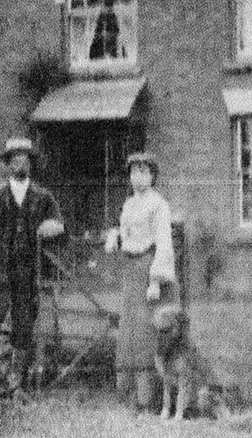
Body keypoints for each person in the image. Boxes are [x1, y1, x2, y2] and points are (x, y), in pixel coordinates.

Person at [0, 136, 65, 401]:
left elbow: (59, 227)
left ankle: (15, 386)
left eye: (25, 158)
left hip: (27, 279)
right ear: (8, 163)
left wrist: (54, 227)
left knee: (23, 332)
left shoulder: (43, 197)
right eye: (15, 158)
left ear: (31, 163)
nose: (21, 163)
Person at [104, 151, 177, 412]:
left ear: (153, 176)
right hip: (131, 272)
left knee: (147, 331)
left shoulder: (159, 204)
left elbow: (164, 243)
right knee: (130, 329)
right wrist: (114, 235)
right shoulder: (129, 204)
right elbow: (126, 231)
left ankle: (148, 399)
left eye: (144, 171)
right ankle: (129, 395)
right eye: (134, 171)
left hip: (149, 269)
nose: (138, 176)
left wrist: (155, 280)